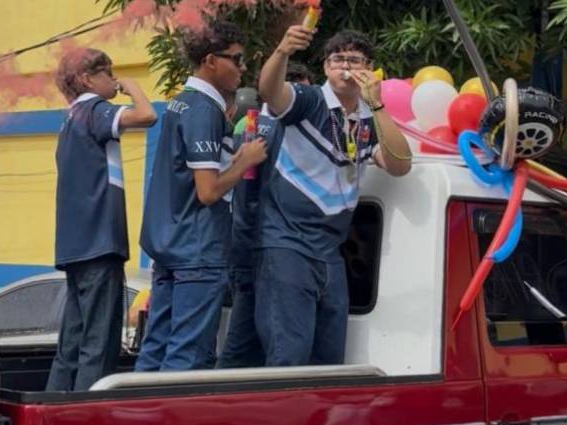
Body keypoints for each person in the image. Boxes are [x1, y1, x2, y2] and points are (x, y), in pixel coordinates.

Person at [256, 26, 411, 366]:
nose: (345, 66)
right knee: (289, 355)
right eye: (337, 59)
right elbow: (269, 91)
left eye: (354, 60)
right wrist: (282, 50)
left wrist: (378, 104)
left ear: (369, 69)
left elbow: (400, 165)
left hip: (331, 252)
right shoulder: (309, 100)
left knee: (329, 358)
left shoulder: (367, 118)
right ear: (326, 67)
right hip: (288, 244)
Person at [137, 20, 268, 371]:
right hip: (197, 248)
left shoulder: (181, 103)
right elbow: (208, 191)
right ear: (211, 60)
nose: (242, 68)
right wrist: (245, 161)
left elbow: (186, 173)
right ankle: (171, 410)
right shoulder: (204, 110)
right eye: (236, 59)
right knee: (188, 355)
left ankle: (137, 406)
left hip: (169, 243)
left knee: (155, 348)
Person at [46, 48, 157, 392]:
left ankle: (53, 408)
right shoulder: (94, 110)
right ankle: (86, 414)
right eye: (107, 73)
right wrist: (133, 87)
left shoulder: (69, 121)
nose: (113, 79)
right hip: (99, 241)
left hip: (75, 245)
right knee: (99, 343)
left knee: (72, 344)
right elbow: (147, 115)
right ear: (87, 80)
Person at [218, 64, 314, 369]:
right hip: (257, 250)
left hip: (252, 246)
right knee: (243, 343)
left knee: (252, 343)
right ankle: (219, 395)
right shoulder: (262, 127)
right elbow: (250, 196)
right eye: (301, 92)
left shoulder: (254, 125)